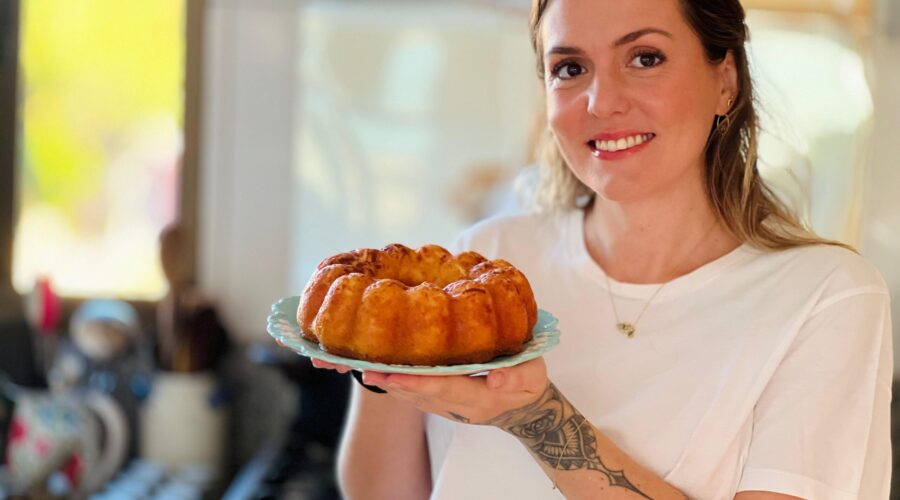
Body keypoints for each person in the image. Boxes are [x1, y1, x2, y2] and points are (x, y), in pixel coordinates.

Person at [311, 0, 893, 498]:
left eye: (645, 58)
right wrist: (388, 351)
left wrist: (535, 416)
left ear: (727, 80)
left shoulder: (827, 296)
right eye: (570, 67)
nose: (601, 101)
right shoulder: (491, 260)